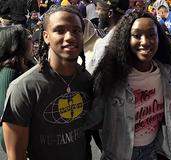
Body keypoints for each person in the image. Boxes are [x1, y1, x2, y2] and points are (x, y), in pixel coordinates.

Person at [1, 5, 93, 160]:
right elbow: (16, 156)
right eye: (60, 30)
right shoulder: (23, 88)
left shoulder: (86, 79)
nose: (70, 37)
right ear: (45, 36)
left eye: (76, 30)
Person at [83, 10, 171, 160]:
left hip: (154, 152)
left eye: (151, 34)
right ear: (126, 38)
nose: (145, 41)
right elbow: (93, 120)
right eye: (137, 35)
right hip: (119, 155)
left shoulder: (166, 74)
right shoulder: (112, 77)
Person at [0, 25, 34, 152]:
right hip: (15, 136)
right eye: (29, 38)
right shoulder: (9, 72)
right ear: (18, 45)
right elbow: (6, 113)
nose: (33, 42)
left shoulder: (29, 65)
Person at [87, 0, 129, 74]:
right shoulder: (130, 35)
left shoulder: (105, 45)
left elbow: (91, 75)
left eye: (99, 9)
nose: (96, 13)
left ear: (110, 13)